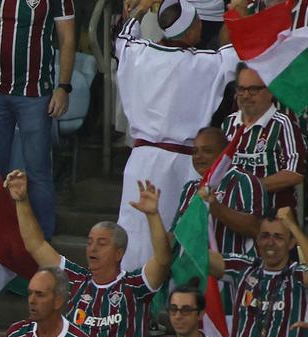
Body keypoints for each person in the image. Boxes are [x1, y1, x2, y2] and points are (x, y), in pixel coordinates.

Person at [10, 170, 171, 337]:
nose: (92, 248)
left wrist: (153, 216)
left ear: (119, 252)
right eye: (89, 242)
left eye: (102, 243)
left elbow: (163, 260)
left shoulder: (134, 287)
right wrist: (21, 200)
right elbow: (36, 245)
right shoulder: (75, 281)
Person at [112, 0, 238, 270]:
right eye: (199, 25)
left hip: (142, 161)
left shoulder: (137, 52)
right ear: (191, 31)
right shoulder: (203, 62)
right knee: (180, 237)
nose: (202, 29)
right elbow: (234, 53)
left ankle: (135, 297)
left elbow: (122, 37)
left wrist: (142, 8)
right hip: (183, 165)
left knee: (138, 235)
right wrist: (236, 13)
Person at [0, 0, 75, 240]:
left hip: (35, 92)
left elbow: (67, 39)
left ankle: (41, 241)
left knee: (37, 169)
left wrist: (63, 87)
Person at [174, 127, 265, 261]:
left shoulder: (243, 180)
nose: (199, 156)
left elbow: (256, 228)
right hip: (197, 273)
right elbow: (175, 236)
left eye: (207, 151)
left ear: (224, 153)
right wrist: (153, 216)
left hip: (236, 273)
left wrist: (215, 207)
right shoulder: (190, 188)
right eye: (195, 151)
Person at [222, 64, 306, 210]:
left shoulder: (283, 123)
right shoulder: (229, 123)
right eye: (241, 89)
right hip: (232, 218)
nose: (246, 95)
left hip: (271, 220)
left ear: (270, 91)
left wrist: (249, 187)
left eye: (253, 89)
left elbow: (295, 173)